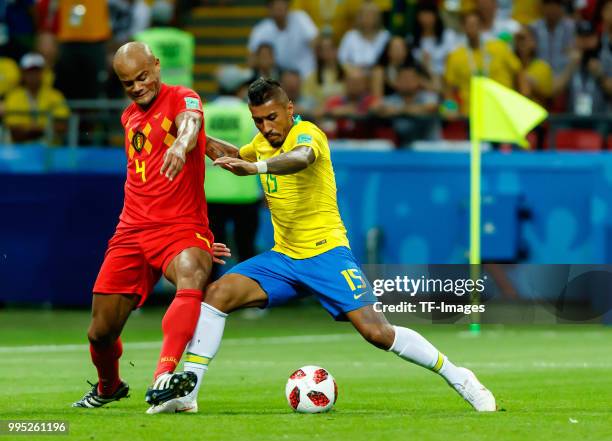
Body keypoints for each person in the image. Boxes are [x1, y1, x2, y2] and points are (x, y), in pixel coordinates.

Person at [147, 78, 497, 414]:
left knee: (377, 332)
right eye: (258, 120)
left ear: (289, 108)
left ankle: (460, 376)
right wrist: (189, 133)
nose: (266, 127)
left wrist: (255, 166)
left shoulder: (307, 133)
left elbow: (300, 158)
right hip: (284, 258)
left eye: (272, 117)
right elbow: (234, 153)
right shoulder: (261, 144)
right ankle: (188, 393)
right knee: (216, 295)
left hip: (326, 253)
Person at [71, 42, 230, 411]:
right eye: (128, 83)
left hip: (178, 226)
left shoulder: (182, 98)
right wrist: (203, 146)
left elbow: (189, 125)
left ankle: (165, 377)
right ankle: (109, 386)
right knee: (100, 333)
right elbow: (196, 141)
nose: (137, 86)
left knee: (192, 273)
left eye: (143, 77)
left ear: (157, 66)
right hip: (130, 231)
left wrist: (183, 146)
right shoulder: (129, 117)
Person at [205, 65, 262, 277]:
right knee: (246, 250)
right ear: (240, 88)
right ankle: (252, 303)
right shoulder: (250, 114)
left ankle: (207, 300)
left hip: (209, 193)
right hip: (244, 192)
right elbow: (264, 151)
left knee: (211, 253)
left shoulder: (204, 112)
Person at [444, 11, 521, 115]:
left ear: (481, 26)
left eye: (476, 25)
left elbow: (519, 73)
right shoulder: (455, 56)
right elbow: (449, 89)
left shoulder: (499, 48)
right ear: (463, 28)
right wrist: (451, 110)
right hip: (472, 113)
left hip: (502, 110)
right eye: (469, 25)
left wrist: (520, 101)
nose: (473, 29)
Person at [3, 52, 69, 144]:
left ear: (43, 72)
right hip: (20, 151)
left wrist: (31, 129)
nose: (33, 75)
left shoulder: (55, 96)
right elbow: (14, 130)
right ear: (23, 73)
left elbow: (62, 126)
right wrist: (44, 129)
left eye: (37, 71)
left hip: (50, 151)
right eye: (30, 71)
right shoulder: (14, 96)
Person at [247, 0, 318, 78]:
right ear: (269, 8)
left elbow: (316, 42)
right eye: (276, 5)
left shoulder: (301, 18)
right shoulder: (260, 30)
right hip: (277, 79)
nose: (279, 8)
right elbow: (251, 60)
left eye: (282, 4)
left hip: (306, 75)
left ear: (288, 6)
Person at [338, 1, 390, 69]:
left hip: (379, 75)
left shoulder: (385, 36)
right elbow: (342, 60)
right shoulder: (350, 36)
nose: (368, 18)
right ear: (359, 17)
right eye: (365, 15)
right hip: (355, 75)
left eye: (371, 15)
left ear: (377, 17)